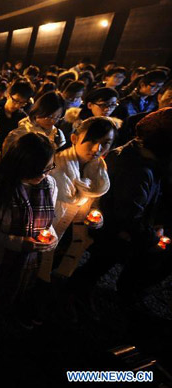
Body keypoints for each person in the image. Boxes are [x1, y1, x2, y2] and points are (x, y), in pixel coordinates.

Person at [68, 108, 172, 316]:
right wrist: (152, 239)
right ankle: (76, 293)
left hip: (119, 227)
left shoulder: (141, 156)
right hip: (113, 231)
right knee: (99, 263)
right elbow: (128, 214)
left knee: (100, 263)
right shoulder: (137, 171)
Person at [0, 133, 58, 350]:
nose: (46, 174)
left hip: (27, 261)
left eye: (50, 168)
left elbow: (49, 221)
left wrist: (52, 237)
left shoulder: (49, 185)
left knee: (10, 295)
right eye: (41, 169)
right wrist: (21, 243)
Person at [38, 117, 120, 286]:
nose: (97, 149)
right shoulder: (55, 165)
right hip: (49, 229)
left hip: (74, 233)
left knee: (58, 274)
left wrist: (97, 217)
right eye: (92, 141)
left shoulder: (99, 168)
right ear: (74, 138)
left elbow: (95, 203)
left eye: (105, 143)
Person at [2, 91, 66, 153]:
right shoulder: (20, 132)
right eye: (49, 116)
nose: (52, 121)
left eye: (57, 117)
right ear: (39, 110)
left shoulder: (58, 135)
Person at [0, 80, 34, 147]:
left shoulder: (22, 117)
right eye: (15, 100)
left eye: (22, 103)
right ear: (8, 95)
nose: (17, 106)